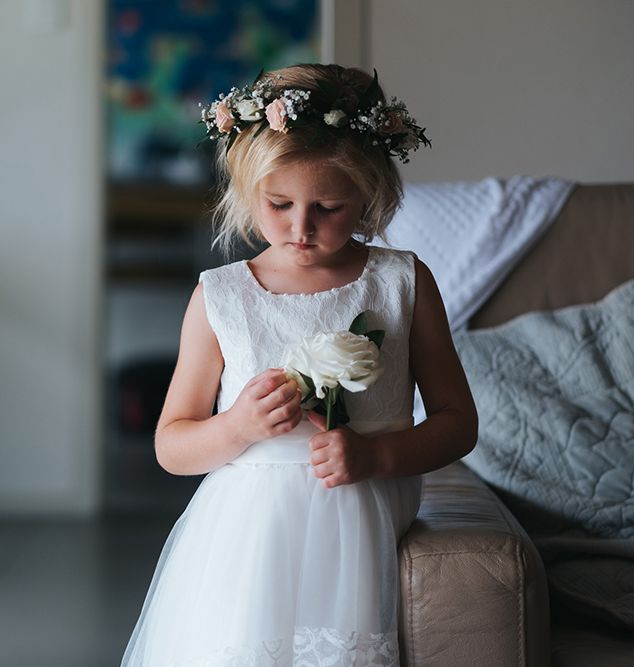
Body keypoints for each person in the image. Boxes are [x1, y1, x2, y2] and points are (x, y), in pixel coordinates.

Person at [121, 63, 477, 666]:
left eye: (330, 207)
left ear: (369, 195)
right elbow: (171, 445)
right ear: (244, 192)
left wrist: (377, 456)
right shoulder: (221, 296)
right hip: (248, 532)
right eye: (279, 204)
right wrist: (236, 427)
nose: (302, 227)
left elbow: (457, 421)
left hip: (363, 504)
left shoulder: (400, 280)